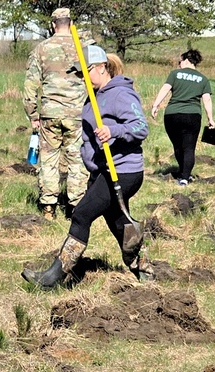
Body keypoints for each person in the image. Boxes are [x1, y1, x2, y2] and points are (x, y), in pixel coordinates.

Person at [22, 45, 154, 289]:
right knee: (118, 223)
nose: (83, 79)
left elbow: (140, 127)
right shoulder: (97, 94)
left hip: (123, 171)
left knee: (81, 215)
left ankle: (53, 278)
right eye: (80, 74)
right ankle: (144, 271)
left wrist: (113, 130)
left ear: (101, 67)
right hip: (102, 169)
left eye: (86, 72)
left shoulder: (121, 94)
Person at [22, 7, 90, 220]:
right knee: (76, 158)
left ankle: (48, 206)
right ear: (70, 23)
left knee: (49, 159)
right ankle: (76, 206)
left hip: (50, 113)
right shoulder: (83, 47)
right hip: (78, 113)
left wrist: (33, 114)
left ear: (53, 25)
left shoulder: (41, 49)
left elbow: (30, 85)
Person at [150, 49, 215, 186]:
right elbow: (207, 100)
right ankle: (185, 177)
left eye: (180, 61)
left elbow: (165, 89)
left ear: (186, 60)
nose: (179, 64)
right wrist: (210, 119)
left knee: (178, 146)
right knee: (189, 147)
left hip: (171, 115)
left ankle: (182, 171)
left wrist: (155, 105)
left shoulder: (175, 74)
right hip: (192, 116)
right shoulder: (203, 79)